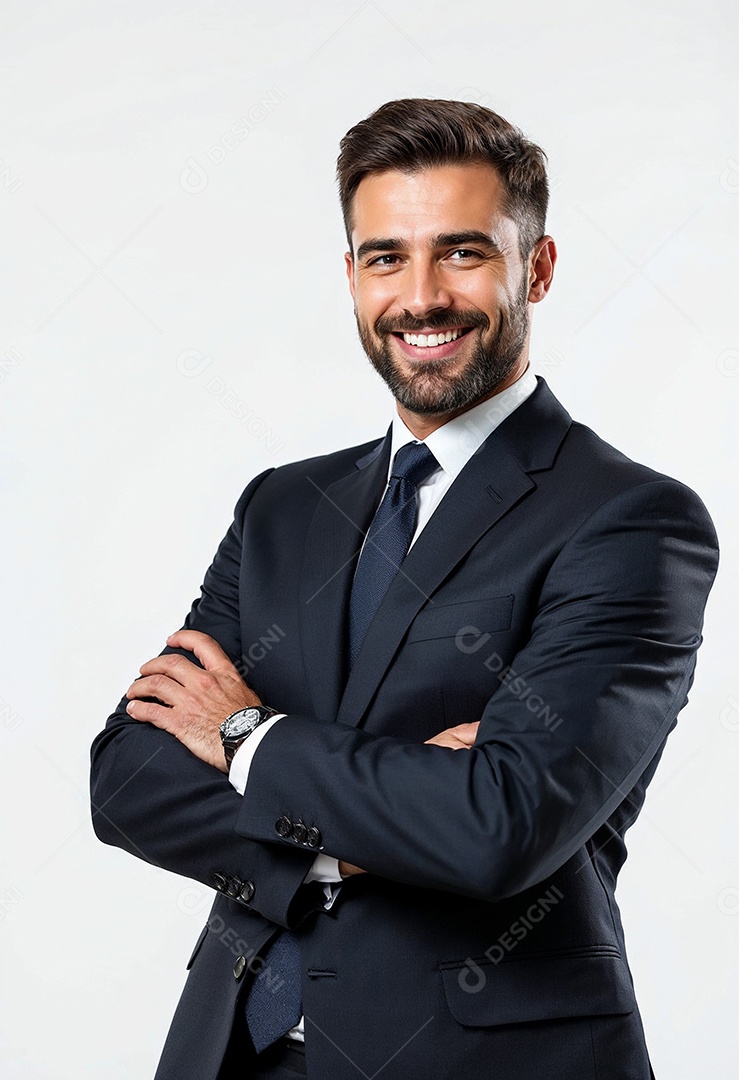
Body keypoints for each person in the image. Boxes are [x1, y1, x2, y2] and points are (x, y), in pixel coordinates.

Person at [90, 98, 719, 1080]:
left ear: (537, 268)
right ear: (351, 277)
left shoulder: (630, 522)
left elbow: (499, 824)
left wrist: (248, 739)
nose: (420, 295)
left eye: (462, 253)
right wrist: (370, 825)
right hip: (232, 1049)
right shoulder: (283, 508)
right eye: (386, 257)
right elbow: (128, 777)